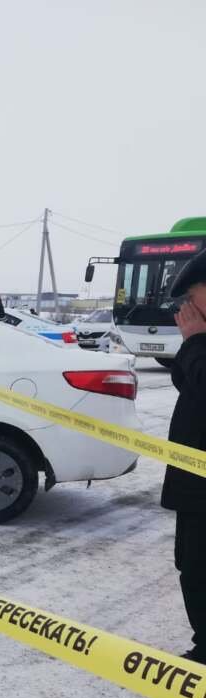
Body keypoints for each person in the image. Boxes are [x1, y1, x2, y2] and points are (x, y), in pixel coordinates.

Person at [163, 248, 206, 663]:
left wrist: (195, 343)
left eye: (193, 297)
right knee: (193, 567)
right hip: (195, 487)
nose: (186, 310)